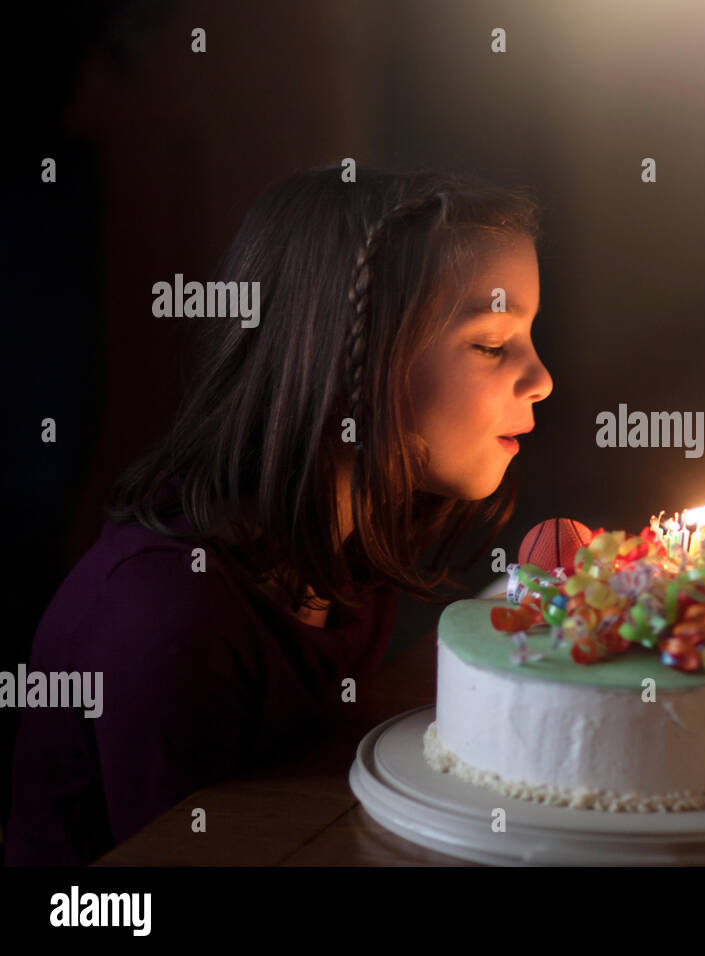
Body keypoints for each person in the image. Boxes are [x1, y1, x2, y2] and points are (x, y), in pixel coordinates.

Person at [4, 167, 553, 865]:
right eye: (491, 343)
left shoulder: (351, 550)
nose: (542, 378)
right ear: (345, 361)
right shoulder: (171, 621)